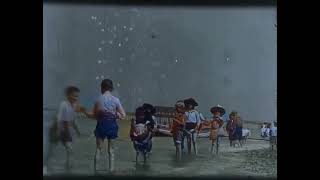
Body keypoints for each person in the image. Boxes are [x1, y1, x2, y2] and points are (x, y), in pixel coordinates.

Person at [82, 79, 126, 172]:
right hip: (112, 126)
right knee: (111, 150)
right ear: (111, 88)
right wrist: (115, 115)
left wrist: (85, 113)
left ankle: (96, 171)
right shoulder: (116, 100)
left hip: (101, 126)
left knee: (98, 149)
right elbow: (123, 116)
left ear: (102, 88)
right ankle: (111, 170)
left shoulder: (98, 100)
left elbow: (94, 116)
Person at [56, 86, 82, 170]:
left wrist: (78, 131)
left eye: (77, 96)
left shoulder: (74, 106)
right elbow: (59, 119)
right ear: (68, 95)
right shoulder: (63, 104)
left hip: (69, 131)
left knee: (69, 150)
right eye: (74, 96)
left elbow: (74, 120)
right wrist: (58, 130)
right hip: (63, 131)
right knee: (69, 149)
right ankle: (68, 167)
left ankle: (68, 167)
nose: (76, 98)